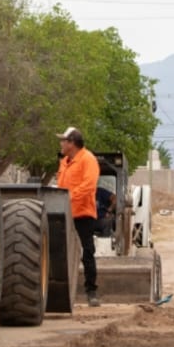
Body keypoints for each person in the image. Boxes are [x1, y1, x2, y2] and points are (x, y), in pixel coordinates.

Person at [56, 127, 102, 306]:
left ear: (72, 143)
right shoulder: (64, 162)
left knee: (87, 251)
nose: (60, 144)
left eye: (63, 140)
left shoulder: (88, 159)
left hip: (83, 213)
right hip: (64, 213)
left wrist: (68, 197)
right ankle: (62, 292)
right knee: (60, 252)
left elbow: (89, 186)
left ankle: (91, 291)